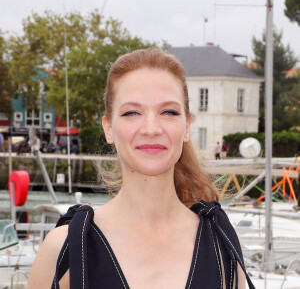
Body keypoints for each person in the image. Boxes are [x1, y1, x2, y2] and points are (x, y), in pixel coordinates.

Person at [27, 48, 254, 289]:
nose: (151, 128)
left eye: (168, 112)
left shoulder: (223, 246)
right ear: (108, 127)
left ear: (187, 126)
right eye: (132, 112)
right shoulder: (64, 249)